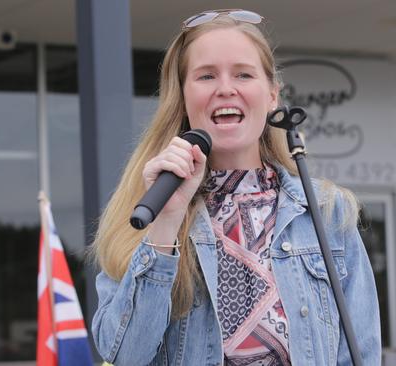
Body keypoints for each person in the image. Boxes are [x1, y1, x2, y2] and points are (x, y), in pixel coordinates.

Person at [90, 9, 381, 365]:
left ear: (272, 95)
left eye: (243, 74)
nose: (225, 88)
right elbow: (123, 356)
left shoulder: (327, 211)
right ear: (182, 96)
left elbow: (361, 354)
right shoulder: (148, 209)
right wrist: (166, 225)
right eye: (206, 75)